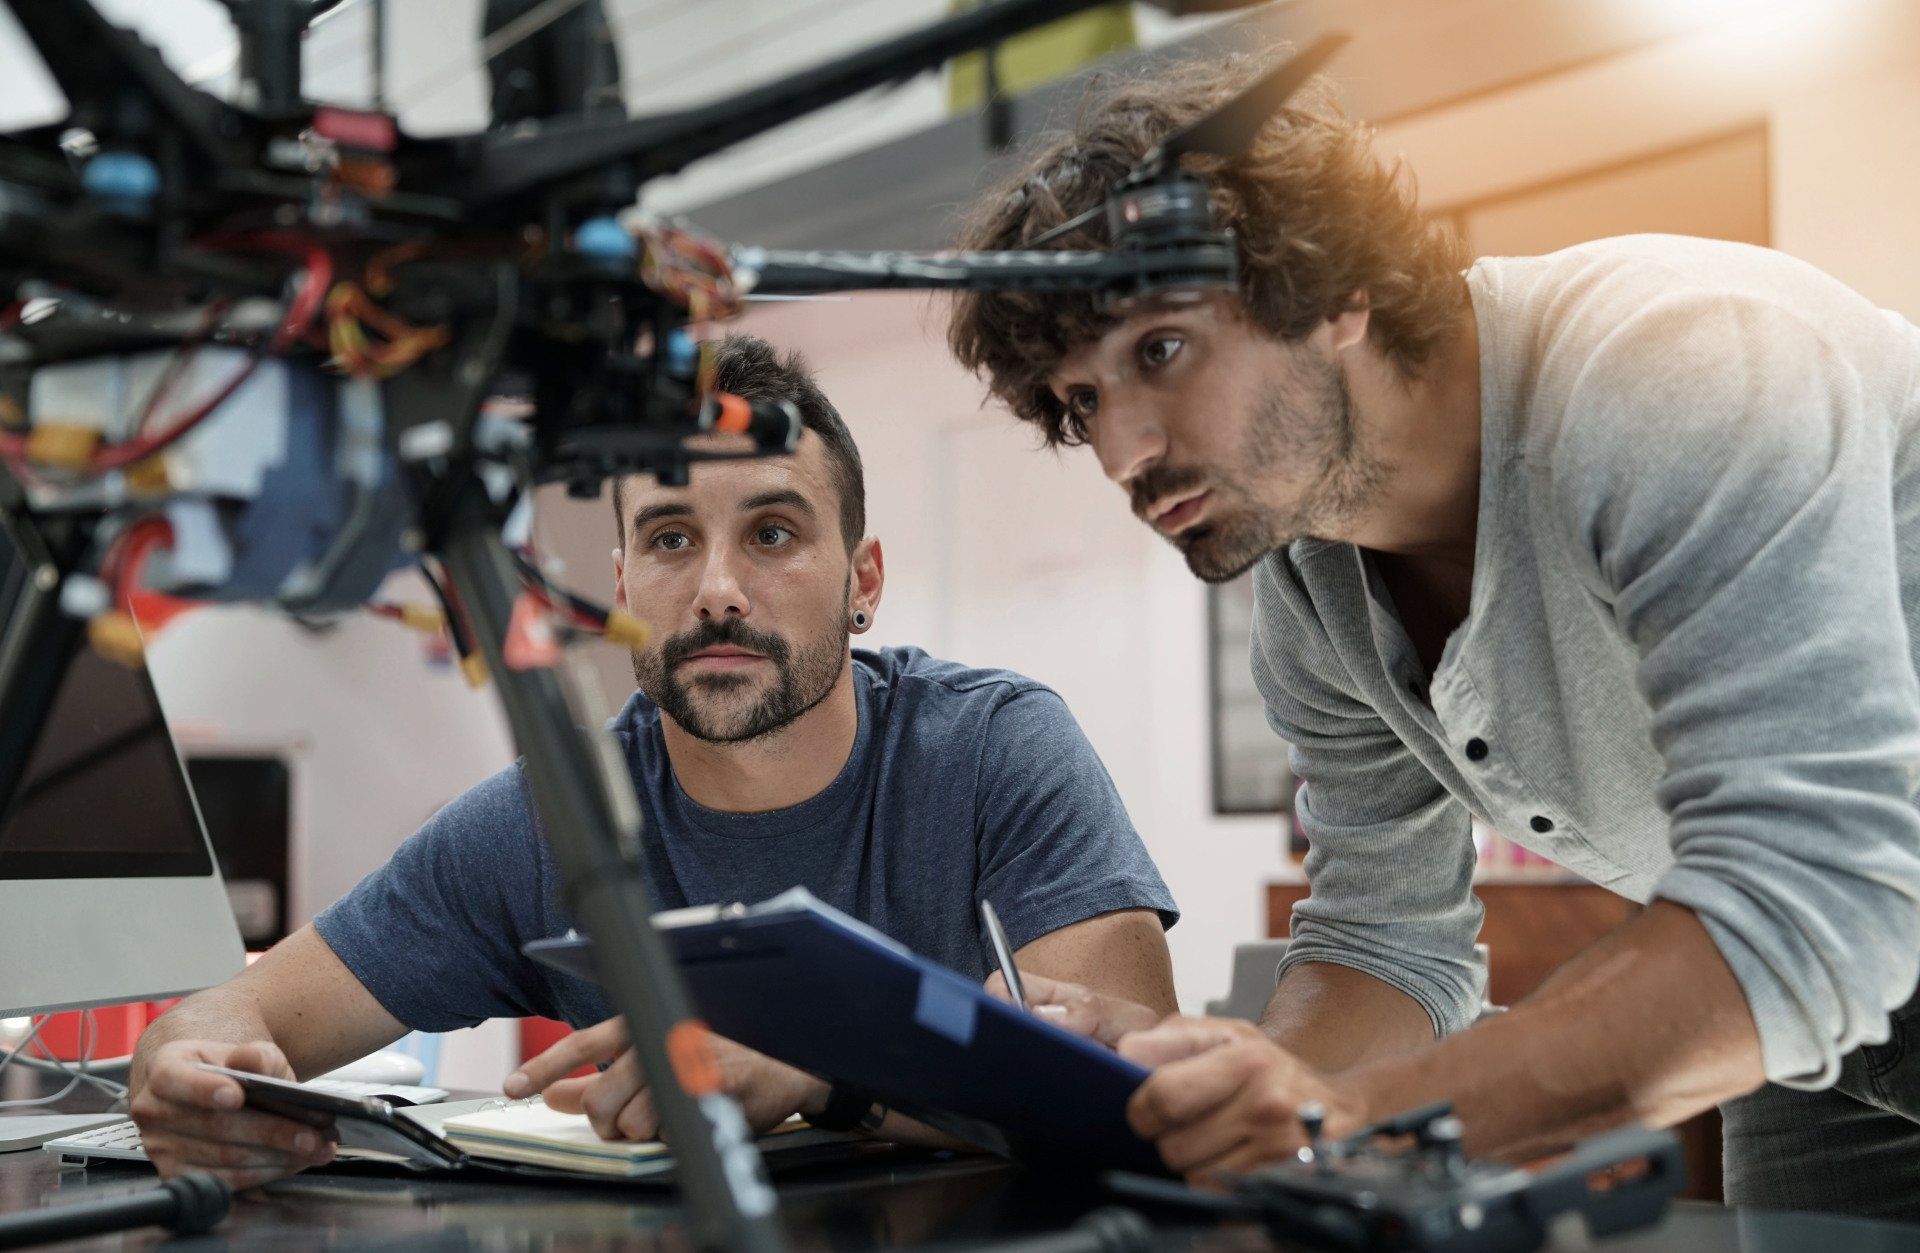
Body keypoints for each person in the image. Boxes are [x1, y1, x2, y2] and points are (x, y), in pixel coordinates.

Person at [947, 55, 1920, 1218]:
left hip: (1822, 931)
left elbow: (1816, 892)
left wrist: (1355, 1121)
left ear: (1337, 289)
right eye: (1082, 401)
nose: (1121, 454)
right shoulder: (1313, 585)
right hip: (1815, 1015)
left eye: (1159, 351)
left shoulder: (1674, 363)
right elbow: (1389, 937)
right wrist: (1230, 1088)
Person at [129, 335, 1178, 1189]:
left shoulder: (998, 750)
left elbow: (1128, 1087)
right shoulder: (553, 816)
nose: (718, 588)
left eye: (772, 531)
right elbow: (224, 1018)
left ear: (864, 579)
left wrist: (822, 1071)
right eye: (673, 539)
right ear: (625, 582)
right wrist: (190, 1079)